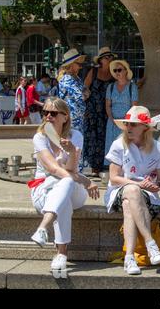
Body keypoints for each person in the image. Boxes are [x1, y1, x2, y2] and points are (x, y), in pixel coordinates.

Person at [29, 97, 100, 271]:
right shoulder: (40, 137)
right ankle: (61, 253)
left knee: (66, 183)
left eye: (53, 113)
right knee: (64, 194)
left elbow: (71, 168)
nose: (48, 116)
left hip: (73, 189)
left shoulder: (76, 136)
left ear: (65, 117)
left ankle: (43, 228)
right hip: (44, 189)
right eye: (44, 112)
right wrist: (85, 180)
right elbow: (53, 169)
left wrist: (71, 152)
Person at [104, 106, 160, 275]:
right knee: (131, 191)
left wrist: (157, 186)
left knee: (128, 205)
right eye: (127, 124)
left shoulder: (158, 148)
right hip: (119, 190)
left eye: (133, 124)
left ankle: (130, 258)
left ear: (145, 128)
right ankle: (150, 243)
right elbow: (114, 178)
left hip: (146, 196)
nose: (128, 127)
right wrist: (138, 185)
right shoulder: (119, 144)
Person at [83, 47, 116, 175]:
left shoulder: (114, 73)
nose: (110, 59)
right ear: (101, 60)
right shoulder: (94, 72)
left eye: (111, 57)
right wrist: (84, 105)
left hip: (106, 111)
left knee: (104, 138)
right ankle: (93, 166)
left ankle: (103, 165)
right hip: (92, 111)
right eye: (107, 57)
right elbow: (85, 88)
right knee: (91, 138)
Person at [104, 59, 138, 167]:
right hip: (112, 122)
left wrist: (127, 121)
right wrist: (111, 118)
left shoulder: (132, 87)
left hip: (126, 122)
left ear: (126, 71)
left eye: (119, 70)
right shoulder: (111, 87)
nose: (117, 72)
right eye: (115, 70)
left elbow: (134, 107)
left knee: (126, 146)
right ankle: (113, 169)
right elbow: (108, 105)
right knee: (112, 146)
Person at [57, 49, 87, 132]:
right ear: (71, 64)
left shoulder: (77, 78)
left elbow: (87, 92)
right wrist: (84, 94)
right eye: (78, 64)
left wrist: (84, 93)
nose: (80, 67)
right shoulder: (66, 79)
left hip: (79, 121)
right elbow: (81, 96)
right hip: (70, 122)